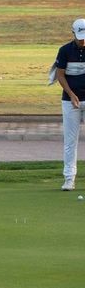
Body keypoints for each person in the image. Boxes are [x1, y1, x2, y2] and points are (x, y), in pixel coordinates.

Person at [50, 18, 85, 191]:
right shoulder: (64, 51)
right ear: (73, 34)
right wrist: (71, 95)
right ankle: (69, 179)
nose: (82, 40)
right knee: (70, 141)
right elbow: (61, 75)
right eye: (80, 37)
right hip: (70, 101)